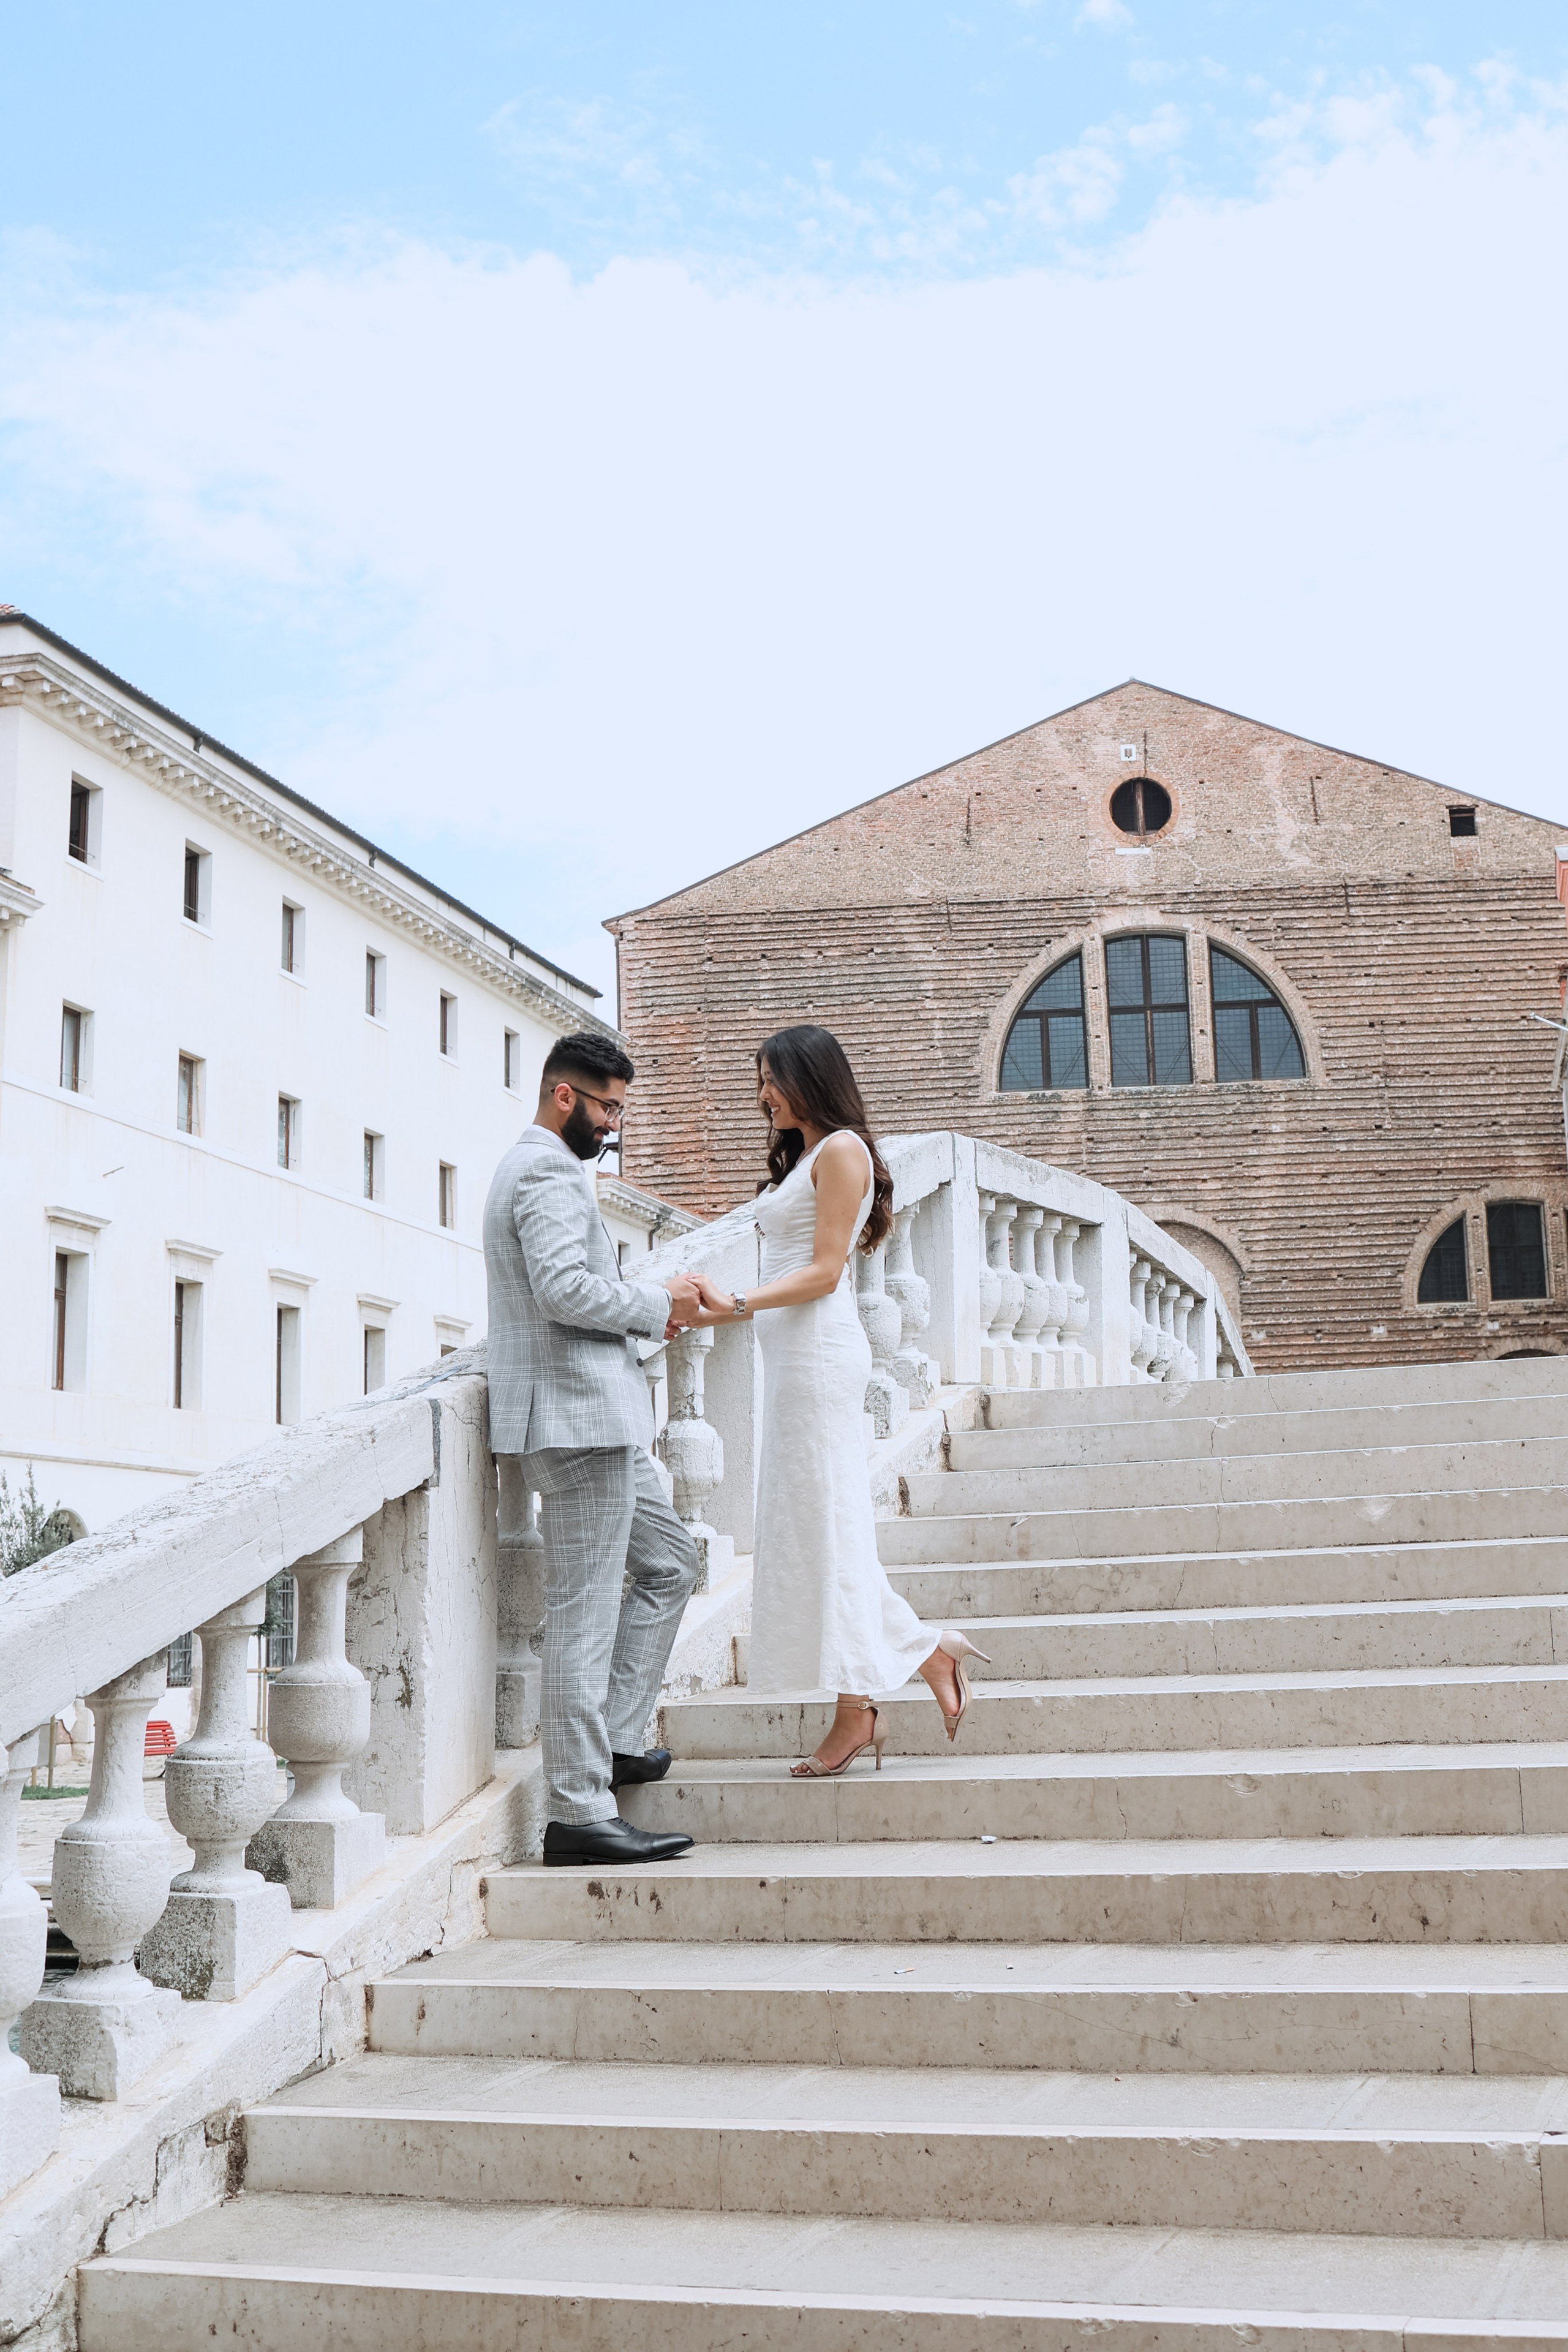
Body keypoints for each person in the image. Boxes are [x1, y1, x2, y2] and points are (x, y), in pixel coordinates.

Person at [684, 1023, 988, 1776]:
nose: (762, 1096)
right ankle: (892, 1683)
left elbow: (823, 1273)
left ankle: (901, 1674)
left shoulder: (844, 1150)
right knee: (816, 1532)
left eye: (771, 1080)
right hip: (793, 1357)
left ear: (809, 1077)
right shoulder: (811, 1157)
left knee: (828, 1529)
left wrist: (732, 1303)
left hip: (820, 1354)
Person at [483, 1030, 705, 1864]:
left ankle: (608, 1745)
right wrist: (657, 1299)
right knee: (579, 1622)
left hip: (594, 1419)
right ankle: (577, 1811)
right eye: (608, 1106)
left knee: (671, 1562)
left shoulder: (547, 1169)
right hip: (577, 1424)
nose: (614, 1124)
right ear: (563, 1095)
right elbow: (562, 1289)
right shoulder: (541, 1168)